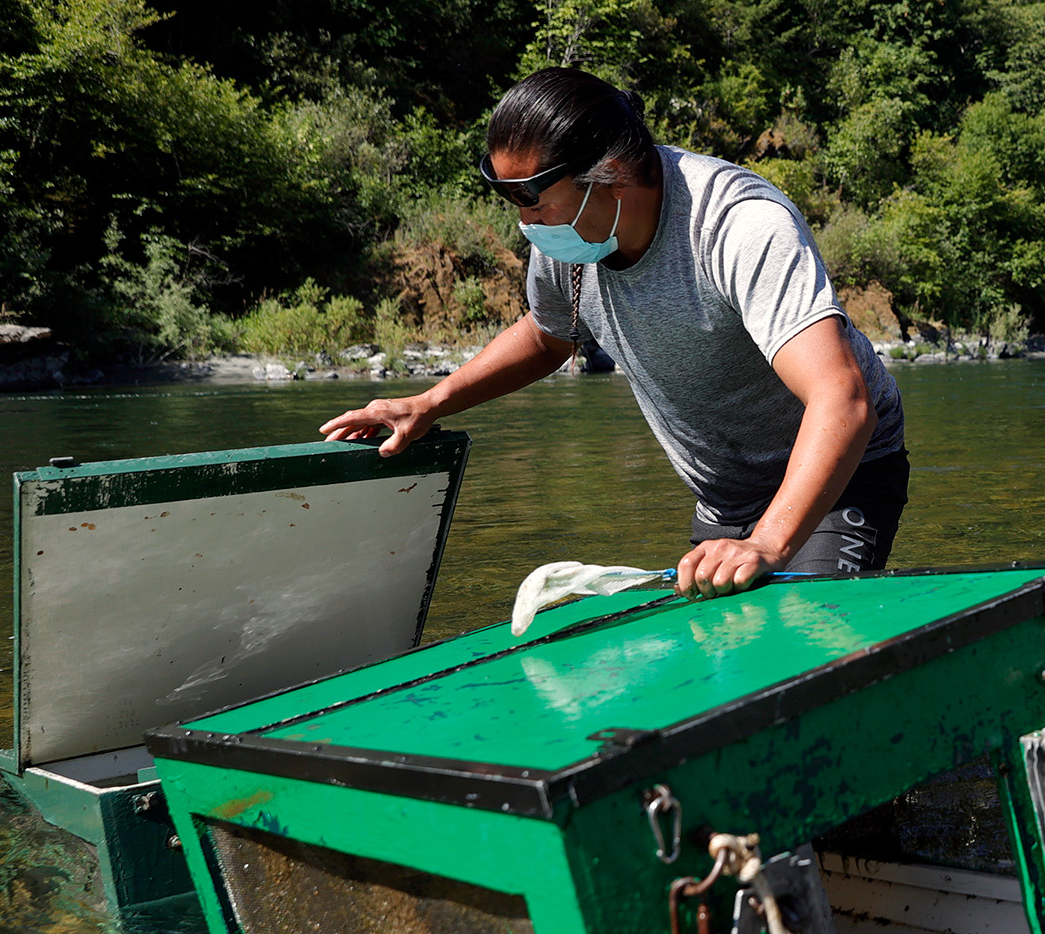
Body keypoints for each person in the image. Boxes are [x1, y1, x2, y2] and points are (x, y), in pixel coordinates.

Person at [320, 67, 908, 598]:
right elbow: (549, 336)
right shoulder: (567, 235)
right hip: (724, 497)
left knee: (808, 641)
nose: (522, 220)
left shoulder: (738, 224)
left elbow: (843, 398)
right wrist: (428, 402)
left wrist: (768, 543)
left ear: (613, 173)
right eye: (506, 197)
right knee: (726, 651)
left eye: (529, 197)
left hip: (842, 473)